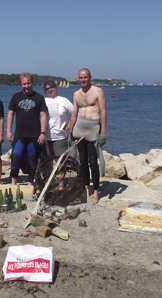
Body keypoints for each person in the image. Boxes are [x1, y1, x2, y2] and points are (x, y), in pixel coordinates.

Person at [69, 68, 107, 204]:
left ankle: (96, 191)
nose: (83, 80)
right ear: (78, 78)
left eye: (85, 77)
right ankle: (87, 187)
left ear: (90, 77)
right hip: (79, 127)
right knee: (82, 162)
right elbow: (74, 114)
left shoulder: (98, 91)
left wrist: (103, 132)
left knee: (93, 162)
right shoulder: (76, 94)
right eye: (80, 78)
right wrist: (70, 133)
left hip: (93, 128)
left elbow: (103, 112)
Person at [6, 72, 48, 185]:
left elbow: (44, 115)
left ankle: (30, 183)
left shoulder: (39, 97)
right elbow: (10, 114)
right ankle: (13, 183)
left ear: (32, 83)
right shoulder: (16, 97)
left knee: (32, 159)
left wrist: (43, 133)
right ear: (21, 84)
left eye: (28, 83)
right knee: (15, 157)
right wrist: (8, 131)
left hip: (34, 135)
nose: (26, 86)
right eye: (24, 84)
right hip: (20, 134)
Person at [43, 80, 74, 159]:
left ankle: (60, 172)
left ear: (56, 87)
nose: (50, 90)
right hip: (46, 138)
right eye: (47, 89)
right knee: (47, 162)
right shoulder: (43, 101)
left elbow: (75, 114)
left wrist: (69, 125)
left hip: (60, 137)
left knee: (60, 163)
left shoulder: (63, 100)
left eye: (51, 87)